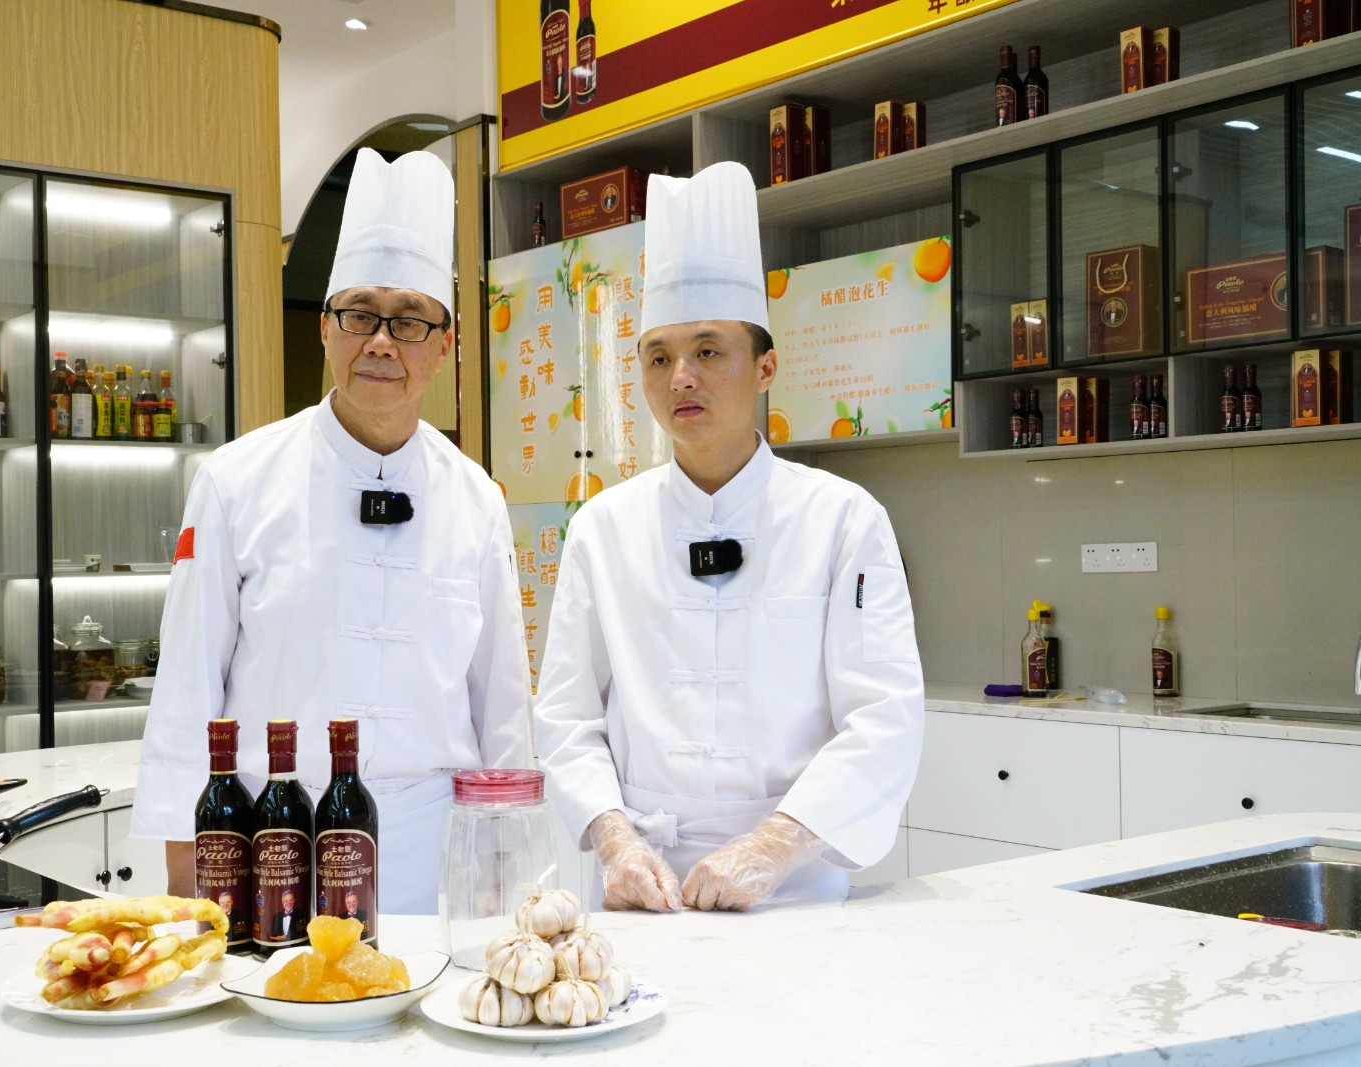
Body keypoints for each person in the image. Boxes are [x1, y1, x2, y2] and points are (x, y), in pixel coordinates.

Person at [130, 148, 532, 914]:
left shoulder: (477, 499)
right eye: (359, 314)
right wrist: (189, 878)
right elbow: (186, 687)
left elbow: (503, 706)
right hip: (274, 849)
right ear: (324, 329)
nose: (381, 341)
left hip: (433, 862)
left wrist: (507, 867)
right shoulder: (234, 481)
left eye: (409, 320)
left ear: (444, 345)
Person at [532, 162, 925, 913]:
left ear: (765, 366)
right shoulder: (601, 530)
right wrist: (614, 842)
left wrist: (772, 844)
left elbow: (883, 716)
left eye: (708, 351)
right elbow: (565, 718)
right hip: (640, 891)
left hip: (795, 892)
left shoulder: (843, 519)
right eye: (659, 357)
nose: (681, 377)